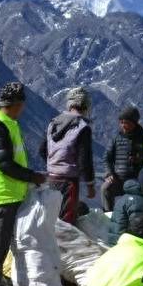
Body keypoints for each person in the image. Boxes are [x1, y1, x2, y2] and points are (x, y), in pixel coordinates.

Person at [0, 82, 45, 286]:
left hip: (7, 190)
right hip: (3, 191)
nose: (22, 110)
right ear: (14, 105)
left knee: (3, 239)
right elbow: (4, 164)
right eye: (21, 106)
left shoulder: (1, 120)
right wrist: (32, 177)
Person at [41, 86, 96, 223]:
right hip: (68, 182)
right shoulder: (82, 127)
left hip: (51, 178)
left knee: (51, 218)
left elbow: (42, 150)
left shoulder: (53, 123)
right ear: (86, 105)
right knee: (66, 220)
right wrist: (90, 185)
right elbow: (85, 160)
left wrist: (54, 164)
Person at [104, 105, 143, 210]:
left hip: (135, 180)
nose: (123, 125)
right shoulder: (116, 138)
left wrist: (139, 159)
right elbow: (107, 158)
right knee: (105, 188)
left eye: (126, 122)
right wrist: (109, 173)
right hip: (118, 179)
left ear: (134, 123)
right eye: (121, 122)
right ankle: (108, 215)